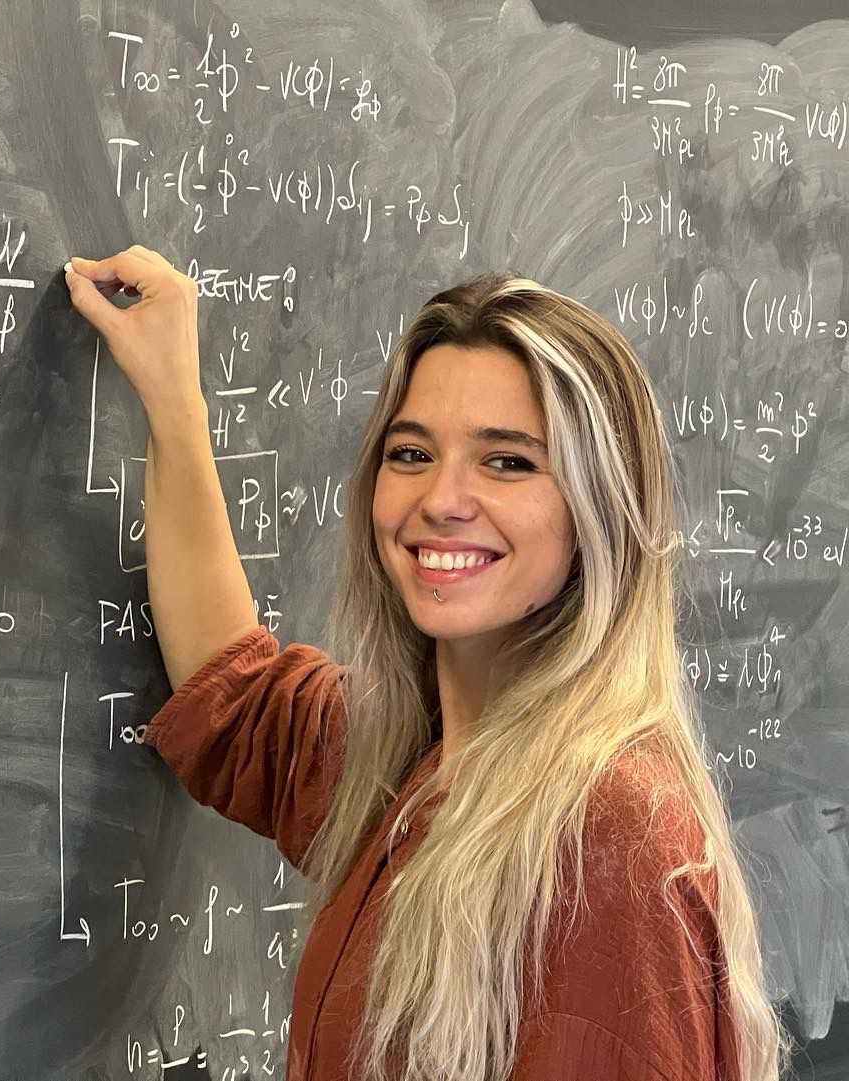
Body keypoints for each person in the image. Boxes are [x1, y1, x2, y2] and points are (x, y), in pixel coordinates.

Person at [63, 246, 791, 1081]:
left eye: (508, 460)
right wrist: (172, 403)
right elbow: (240, 703)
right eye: (411, 453)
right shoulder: (414, 755)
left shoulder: (606, 840)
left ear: (600, 508)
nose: (441, 500)